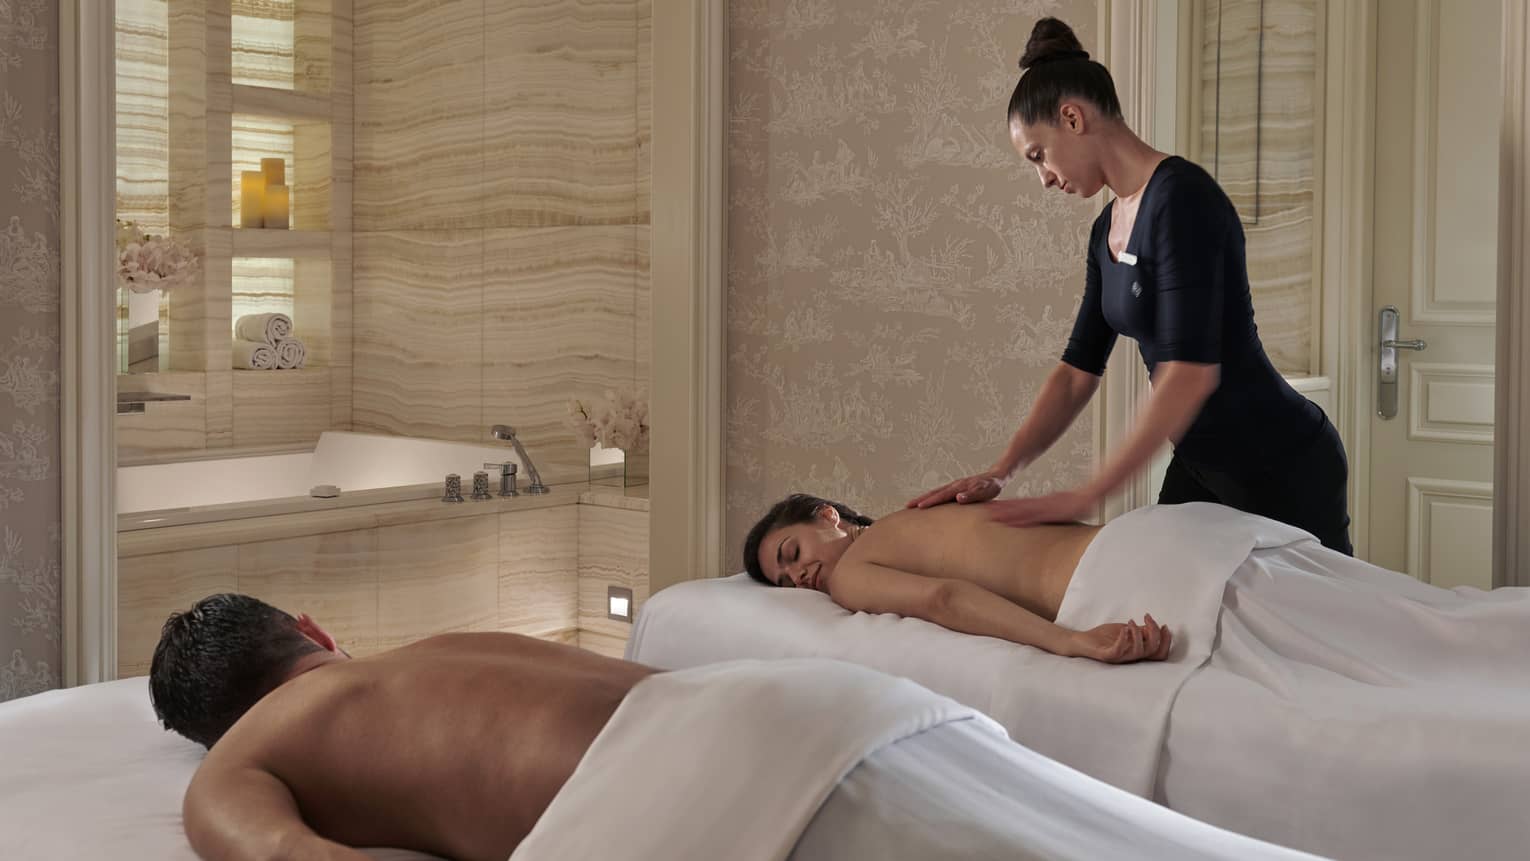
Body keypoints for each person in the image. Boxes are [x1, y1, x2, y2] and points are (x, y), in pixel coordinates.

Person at [906, 17, 1352, 555]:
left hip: (1283, 463)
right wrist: (1002, 472)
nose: (1043, 178)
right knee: (1162, 614)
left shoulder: (1182, 199)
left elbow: (1189, 376)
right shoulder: (1105, 230)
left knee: (1324, 632)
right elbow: (1076, 373)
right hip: (1201, 465)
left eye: (1037, 155)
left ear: (1071, 117)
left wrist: (1087, 495)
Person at [149, 594, 655, 861]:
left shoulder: (239, 755)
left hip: (646, 793)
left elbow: (286, 855)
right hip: (708, 700)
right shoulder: (449, 648)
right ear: (313, 632)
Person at [743, 492, 1171, 664]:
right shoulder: (916, 515)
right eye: (785, 581)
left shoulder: (851, 575)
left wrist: (1069, 641)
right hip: (1141, 536)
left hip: (1110, 579)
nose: (797, 576)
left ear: (826, 515)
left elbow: (942, 599)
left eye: (792, 553)